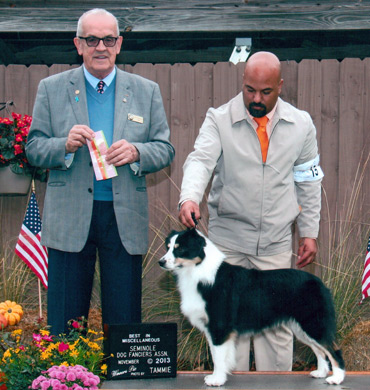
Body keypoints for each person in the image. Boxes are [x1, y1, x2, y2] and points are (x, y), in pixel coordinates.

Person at [26, 8, 175, 336]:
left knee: (124, 325)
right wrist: (63, 145)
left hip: (123, 219)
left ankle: (124, 388)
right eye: (91, 39)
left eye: (108, 39)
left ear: (119, 43)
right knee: (65, 325)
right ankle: (68, 384)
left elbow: (165, 150)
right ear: (78, 45)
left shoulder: (145, 91)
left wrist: (137, 152)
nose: (100, 47)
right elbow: (34, 148)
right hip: (69, 217)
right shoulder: (51, 89)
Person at [178, 51, 323, 371]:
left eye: (265, 92)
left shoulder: (301, 125)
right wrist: (189, 198)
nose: (256, 98)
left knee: (277, 329)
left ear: (280, 86)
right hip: (227, 243)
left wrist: (310, 231)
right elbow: (200, 160)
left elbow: (309, 181)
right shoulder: (218, 119)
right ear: (242, 83)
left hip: (275, 244)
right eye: (249, 90)